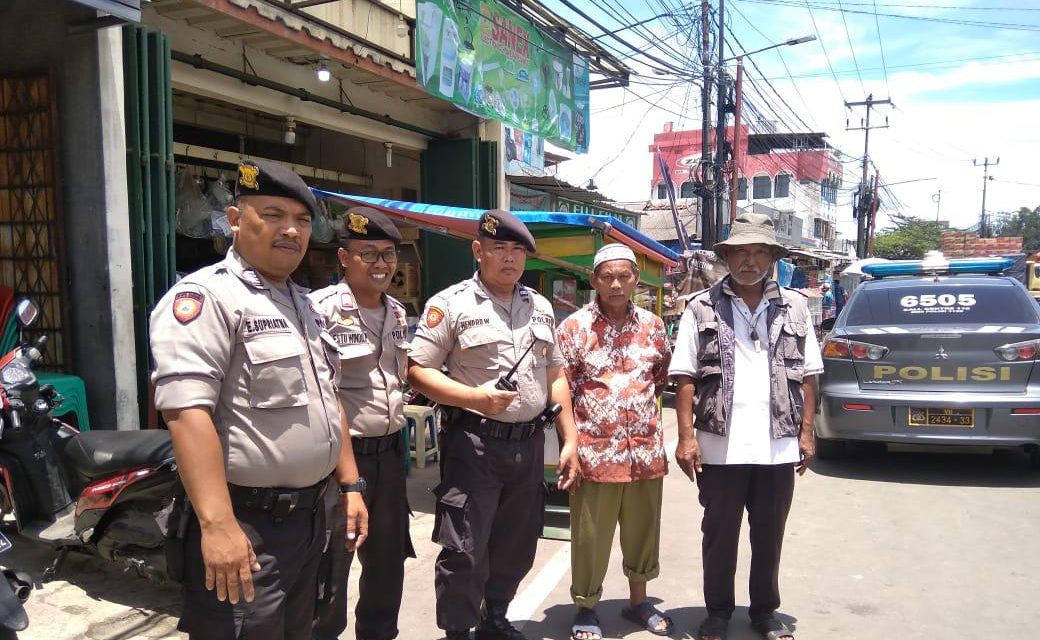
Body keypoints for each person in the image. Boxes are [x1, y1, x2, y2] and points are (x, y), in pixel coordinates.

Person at [150, 159, 368, 640]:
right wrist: (218, 524)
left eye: (302, 220)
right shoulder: (207, 299)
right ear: (234, 220)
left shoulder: (303, 304)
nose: (290, 230)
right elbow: (186, 413)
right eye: (273, 214)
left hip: (311, 520)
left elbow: (329, 402)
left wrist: (349, 487)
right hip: (247, 528)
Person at [407, 209, 582, 640]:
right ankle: (459, 630)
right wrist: (476, 398)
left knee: (516, 544)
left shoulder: (539, 307)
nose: (509, 258)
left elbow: (555, 375)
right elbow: (417, 371)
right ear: (478, 250)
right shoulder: (450, 304)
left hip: (526, 446)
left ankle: (495, 617)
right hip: (473, 445)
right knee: (464, 548)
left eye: (518, 250)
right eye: (499, 248)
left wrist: (570, 440)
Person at [668, 213, 824, 640]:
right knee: (719, 535)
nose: (749, 261)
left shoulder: (795, 307)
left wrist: (807, 431)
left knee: (769, 534)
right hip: (720, 445)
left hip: (778, 445)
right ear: (727, 257)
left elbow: (810, 374)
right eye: (740, 252)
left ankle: (764, 613)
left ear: (773, 257)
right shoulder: (700, 307)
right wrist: (685, 437)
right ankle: (717, 612)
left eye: (758, 252)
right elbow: (684, 375)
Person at [555, 244, 673, 640]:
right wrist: (570, 444)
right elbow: (562, 391)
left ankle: (639, 601)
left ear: (636, 279)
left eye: (624, 276)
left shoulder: (655, 327)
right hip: (594, 453)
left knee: (642, 532)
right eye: (608, 276)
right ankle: (585, 607)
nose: (617, 284)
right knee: (590, 536)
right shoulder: (573, 329)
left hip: (644, 451)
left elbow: (659, 377)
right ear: (594, 281)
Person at [311, 207, 414, 640]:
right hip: (338, 463)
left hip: (390, 454)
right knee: (332, 563)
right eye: (368, 253)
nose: (381, 264)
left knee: (388, 560)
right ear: (343, 258)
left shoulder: (397, 312)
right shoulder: (319, 310)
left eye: (388, 254)